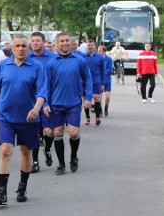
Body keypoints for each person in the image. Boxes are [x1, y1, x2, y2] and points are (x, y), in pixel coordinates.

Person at [0, 34, 47, 205]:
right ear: (12, 48)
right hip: (6, 117)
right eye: (17, 46)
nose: (21, 49)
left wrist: (36, 109)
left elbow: (43, 92)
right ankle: (2, 192)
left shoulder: (36, 67)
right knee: (5, 150)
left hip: (29, 118)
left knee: (25, 152)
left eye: (23, 46)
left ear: (28, 48)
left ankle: (22, 186)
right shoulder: (3, 66)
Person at [45, 32, 92, 175]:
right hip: (56, 103)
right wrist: (46, 102)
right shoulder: (52, 63)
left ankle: (73, 156)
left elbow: (88, 79)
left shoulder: (79, 60)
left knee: (73, 132)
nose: (65, 43)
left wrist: (88, 97)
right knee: (58, 132)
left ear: (70, 43)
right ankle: (61, 164)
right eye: (62, 41)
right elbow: (46, 84)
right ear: (57, 44)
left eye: (67, 40)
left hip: (73, 102)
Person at [28, 32, 55, 170]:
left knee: (49, 131)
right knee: (34, 132)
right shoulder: (26, 57)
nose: (35, 43)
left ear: (43, 42)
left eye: (38, 40)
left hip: (48, 99)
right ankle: (35, 162)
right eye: (33, 41)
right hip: (32, 100)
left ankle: (48, 149)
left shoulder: (52, 58)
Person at [82, 39, 106, 126]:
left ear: (95, 46)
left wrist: (103, 83)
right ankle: (87, 118)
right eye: (89, 45)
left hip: (97, 81)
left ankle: (97, 118)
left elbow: (103, 71)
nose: (90, 47)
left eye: (92, 45)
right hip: (86, 82)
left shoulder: (99, 57)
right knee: (87, 99)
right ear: (87, 46)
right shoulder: (83, 57)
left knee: (97, 98)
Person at [98, 45, 114, 116]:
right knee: (99, 96)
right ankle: (100, 109)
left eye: (99, 51)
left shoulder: (109, 59)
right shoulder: (97, 59)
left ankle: (106, 107)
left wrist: (103, 71)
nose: (98, 52)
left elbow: (111, 69)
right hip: (100, 80)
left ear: (104, 51)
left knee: (107, 96)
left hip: (107, 80)